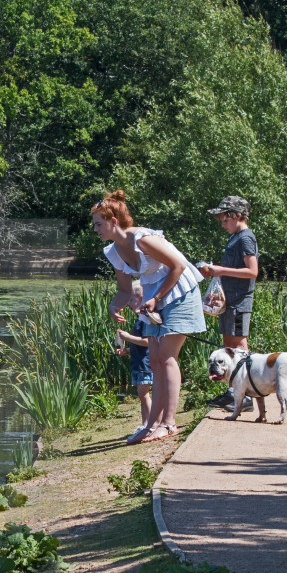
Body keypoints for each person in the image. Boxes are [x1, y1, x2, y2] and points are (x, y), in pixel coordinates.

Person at [92, 190, 205, 444]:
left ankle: (169, 423)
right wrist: (114, 306)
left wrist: (156, 298)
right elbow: (124, 289)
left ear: (113, 221)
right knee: (154, 360)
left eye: (99, 224)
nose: (96, 229)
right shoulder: (113, 251)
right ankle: (151, 424)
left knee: (166, 358)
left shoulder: (143, 239)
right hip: (154, 298)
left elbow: (179, 266)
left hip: (179, 293)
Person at [199, 196, 259, 412]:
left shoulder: (245, 238)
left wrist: (221, 270)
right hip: (229, 300)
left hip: (239, 301)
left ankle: (247, 396)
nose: (222, 225)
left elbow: (253, 271)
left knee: (239, 347)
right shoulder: (235, 237)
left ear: (237, 216)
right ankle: (234, 391)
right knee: (229, 346)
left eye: (225, 220)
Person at [115, 306, 153, 441]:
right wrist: (127, 351)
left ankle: (150, 425)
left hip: (145, 364)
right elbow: (139, 346)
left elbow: (149, 342)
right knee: (141, 395)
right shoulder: (139, 320)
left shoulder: (146, 320)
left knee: (144, 394)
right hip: (137, 363)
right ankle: (145, 424)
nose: (130, 304)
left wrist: (128, 337)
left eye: (133, 299)